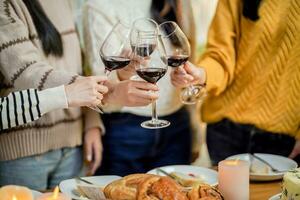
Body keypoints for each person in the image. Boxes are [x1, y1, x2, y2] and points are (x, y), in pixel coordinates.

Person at [0, 0, 158, 190]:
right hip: (23, 150)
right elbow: (28, 74)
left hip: (74, 143)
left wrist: (92, 122)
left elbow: (81, 67)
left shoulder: (64, 2)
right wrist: (110, 92)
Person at [171, 0, 300, 165]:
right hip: (225, 130)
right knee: (220, 191)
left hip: (285, 139)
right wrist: (202, 74)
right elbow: (220, 53)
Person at [82, 0, 197, 176]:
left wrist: (196, 127)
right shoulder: (99, 6)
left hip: (177, 126)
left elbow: (190, 59)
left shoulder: (177, 3)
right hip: (125, 130)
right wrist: (123, 75)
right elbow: (100, 79)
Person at [0, 76, 108, 131]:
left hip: (74, 139)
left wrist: (92, 125)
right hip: (24, 143)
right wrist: (65, 94)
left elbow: (82, 65)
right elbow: (28, 73)